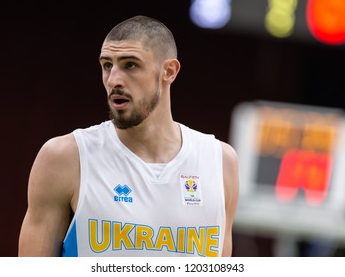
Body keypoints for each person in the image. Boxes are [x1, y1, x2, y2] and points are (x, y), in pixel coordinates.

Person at [18, 15, 239, 257]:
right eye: (106, 65)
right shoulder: (66, 157)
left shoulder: (220, 161)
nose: (113, 80)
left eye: (130, 65)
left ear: (169, 71)